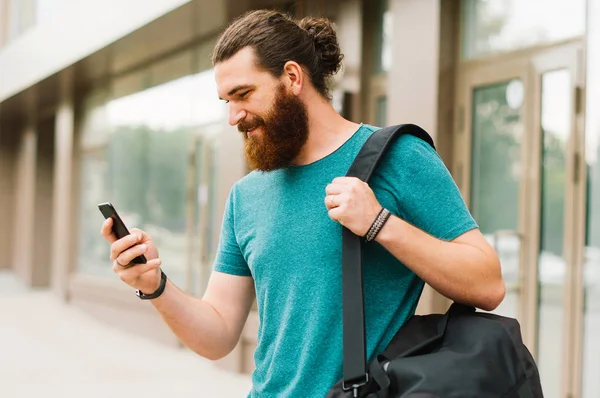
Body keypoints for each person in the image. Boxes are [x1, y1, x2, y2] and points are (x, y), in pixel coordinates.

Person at [101, 9, 506, 397]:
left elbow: (488, 284)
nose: (233, 116)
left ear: (292, 77)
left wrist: (381, 223)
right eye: (226, 101)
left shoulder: (399, 156)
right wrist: (153, 285)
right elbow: (219, 334)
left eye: (243, 94)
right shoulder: (246, 196)